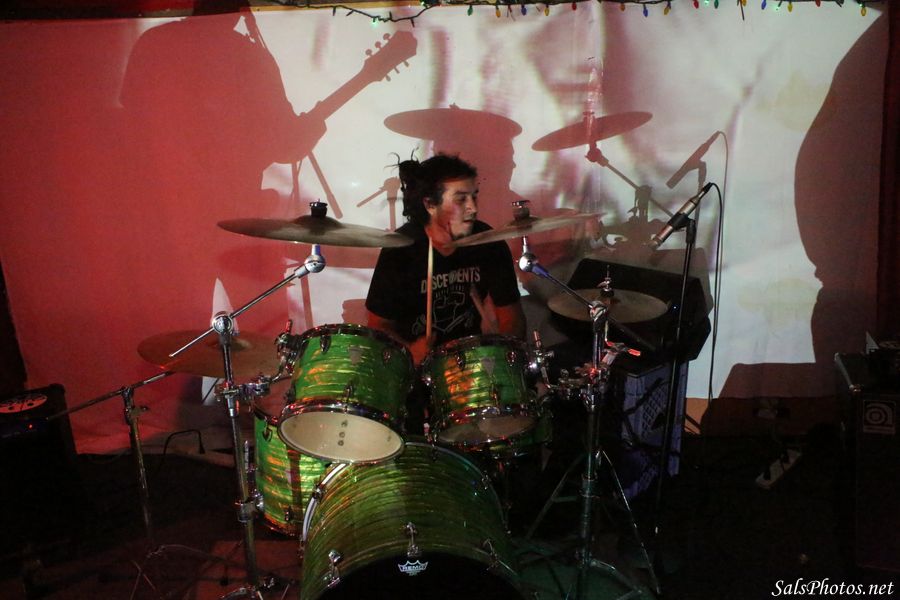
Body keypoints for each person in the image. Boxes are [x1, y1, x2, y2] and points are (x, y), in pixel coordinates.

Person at [365, 153, 526, 365]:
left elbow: (511, 317)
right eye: (461, 199)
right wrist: (410, 352)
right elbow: (378, 326)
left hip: (471, 364)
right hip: (417, 369)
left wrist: (503, 355)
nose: (473, 208)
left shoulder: (487, 243)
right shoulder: (401, 250)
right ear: (430, 204)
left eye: (474, 196)